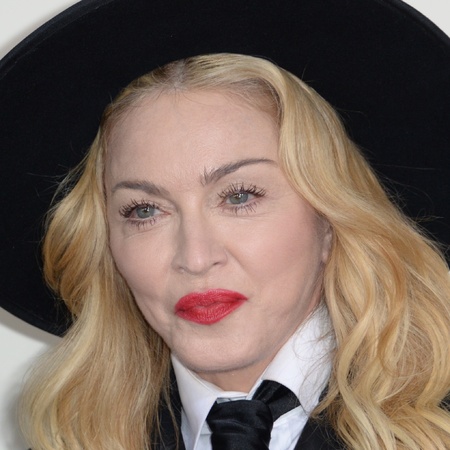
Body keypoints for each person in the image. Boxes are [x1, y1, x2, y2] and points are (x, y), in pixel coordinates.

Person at [17, 53, 450, 450]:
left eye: (239, 196)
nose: (196, 256)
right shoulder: (70, 438)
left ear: (330, 222)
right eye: (145, 210)